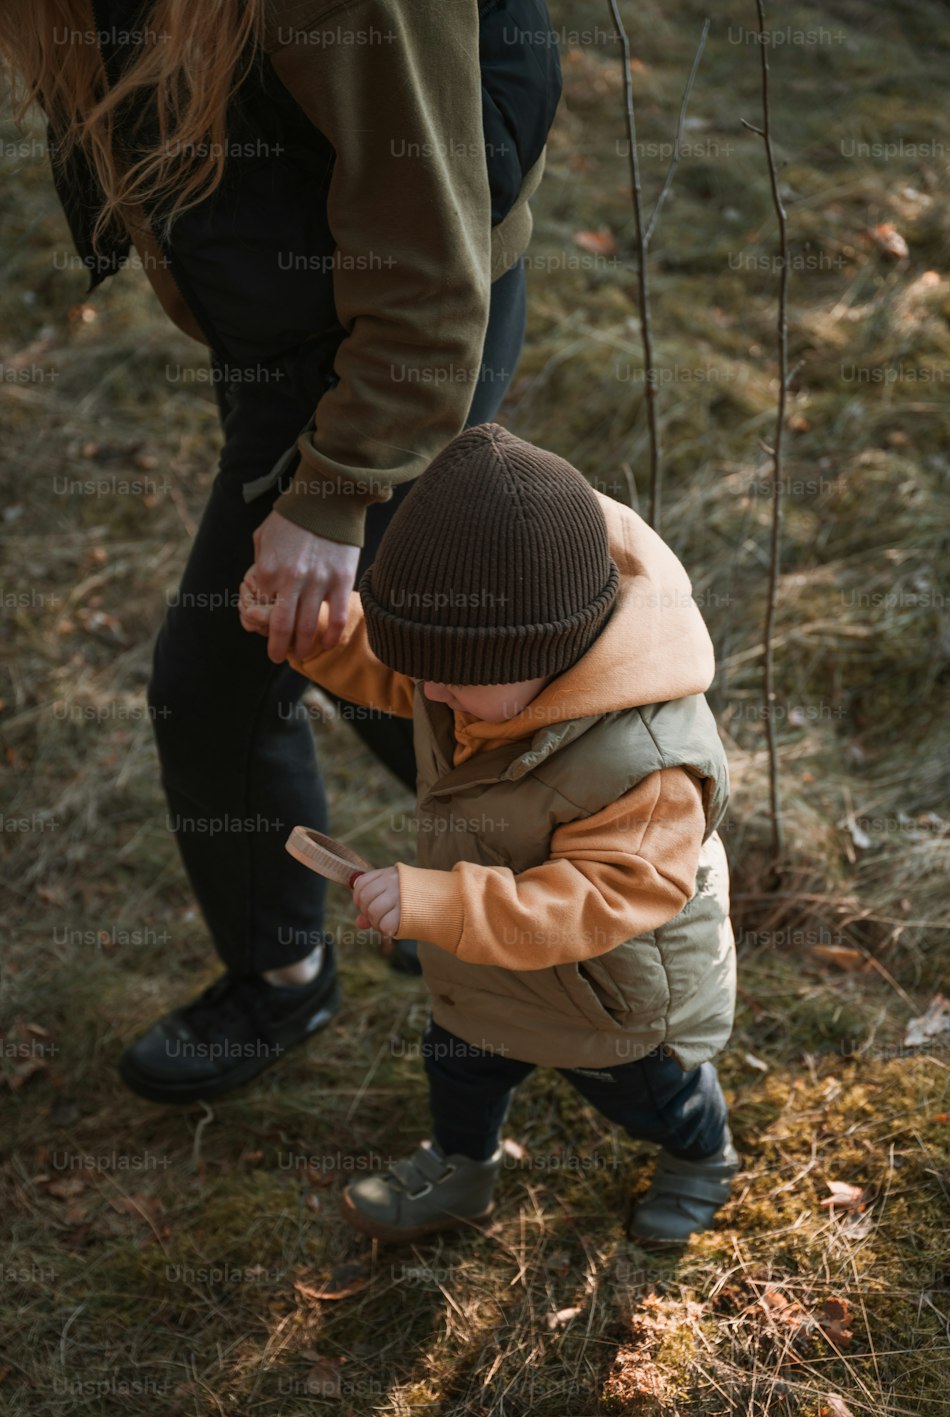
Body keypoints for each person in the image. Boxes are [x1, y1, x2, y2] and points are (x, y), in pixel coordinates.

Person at [1, 0, 562, 1102]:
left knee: (218, 683)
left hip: (391, 340)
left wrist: (336, 491)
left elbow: (429, 270)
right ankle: (516, 891)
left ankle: (573, 908)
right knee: (365, 653)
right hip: (285, 318)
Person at [240, 423, 740, 1248]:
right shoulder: (478, 668)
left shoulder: (648, 764)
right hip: (483, 958)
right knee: (461, 1063)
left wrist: (441, 901)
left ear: (552, 654)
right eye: (425, 667)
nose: (430, 692)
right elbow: (402, 665)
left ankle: (703, 1157)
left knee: (651, 1096)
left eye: (455, 679)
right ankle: (463, 1164)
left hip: (609, 991)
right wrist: (320, 634)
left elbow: (605, 898)